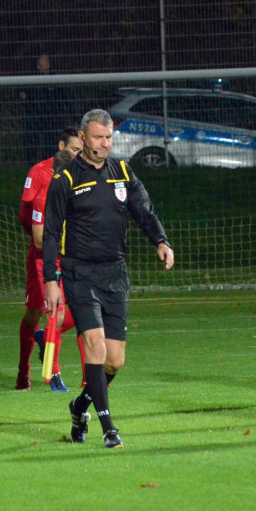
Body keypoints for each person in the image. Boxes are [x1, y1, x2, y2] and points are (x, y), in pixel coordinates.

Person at [43, 109, 174, 449]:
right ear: (83, 138)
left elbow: (144, 211)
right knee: (96, 347)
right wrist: (51, 281)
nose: (104, 144)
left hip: (115, 273)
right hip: (79, 272)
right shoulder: (66, 179)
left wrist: (160, 241)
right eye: (98, 137)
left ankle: (80, 405)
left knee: (115, 361)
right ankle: (108, 428)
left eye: (109, 138)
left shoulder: (123, 172)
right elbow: (50, 234)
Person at [16, 127, 84, 391]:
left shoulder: (81, 179)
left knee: (77, 312)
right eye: (75, 150)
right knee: (40, 312)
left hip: (71, 258)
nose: (79, 156)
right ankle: (30, 373)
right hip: (44, 257)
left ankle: (52, 355)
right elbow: (28, 218)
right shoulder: (40, 176)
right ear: (61, 147)